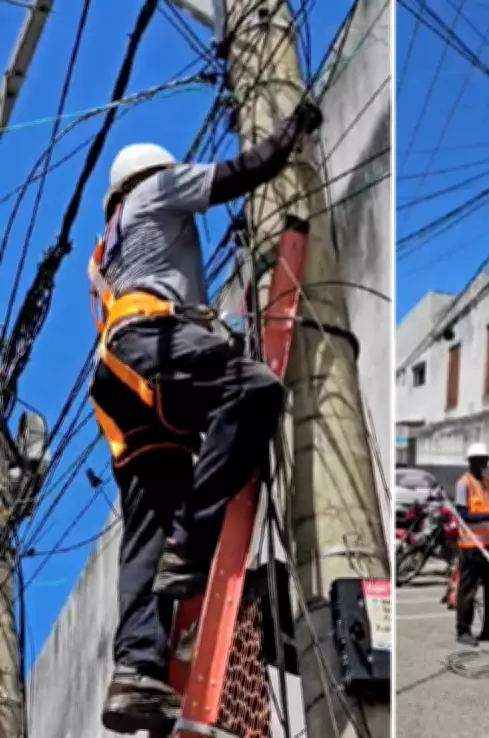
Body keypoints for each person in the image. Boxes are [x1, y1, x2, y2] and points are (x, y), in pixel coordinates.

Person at [88, 98, 323, 735]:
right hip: (153, 343)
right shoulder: (157, 188)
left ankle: (136, 674)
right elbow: (239, 173)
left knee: (147, 528)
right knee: (254, 390)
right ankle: (192, 541)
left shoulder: (109, 247)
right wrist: (291, 134)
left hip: (122, 385)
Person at [454, 442, 489, 647]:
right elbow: (463, 515)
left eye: (485, 461)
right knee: (468, 590)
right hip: (472, 547)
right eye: (481, 461)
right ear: (473, 462)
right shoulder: (464, 484)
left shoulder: (486, 484)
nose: (485, 465)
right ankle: (463, 630)